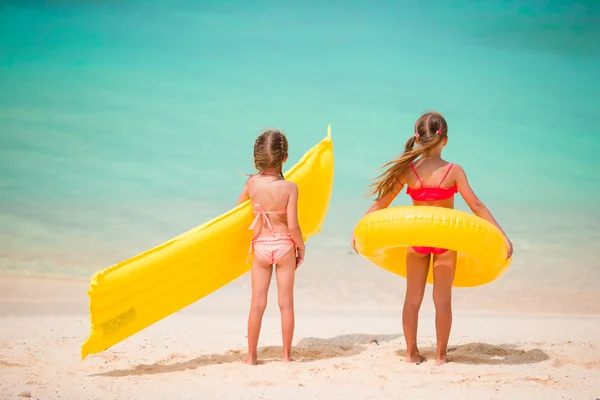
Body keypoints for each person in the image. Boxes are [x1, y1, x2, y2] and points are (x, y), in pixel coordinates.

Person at [351, 111, 513, 366]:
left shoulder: (408, 171)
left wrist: (359, 229)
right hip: (446, 242)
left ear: (418, 140)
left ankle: (410, 353)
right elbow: (477, 206)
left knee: (412, 299)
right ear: (445, 140)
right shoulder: (453, 171)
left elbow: (381, 203)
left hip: (417, 241)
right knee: (442, 301)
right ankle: (441, 355)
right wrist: (501, 235)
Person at [237, 129, 306, 365]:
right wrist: (301, 247)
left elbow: (237, 214)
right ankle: (286, 355)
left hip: (261, 247)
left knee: (257, 304)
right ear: (285, 158)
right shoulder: (290, 188)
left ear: (256, 158)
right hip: (285, 245)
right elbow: (294, 225)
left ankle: (251, 356)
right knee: (286, 304)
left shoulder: (251, 183)